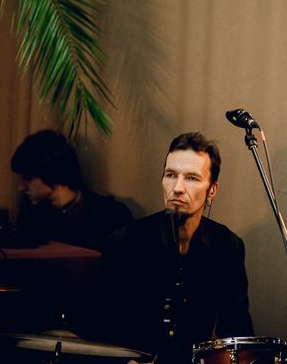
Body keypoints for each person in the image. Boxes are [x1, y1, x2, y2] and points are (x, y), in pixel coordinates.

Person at [98, 132, 253, 364]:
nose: (178, 187)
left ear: (212, 190)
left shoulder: (226, 246)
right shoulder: (125, 242)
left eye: (191, 178)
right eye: (171, 175)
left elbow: (237, 332)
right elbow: (98, 326)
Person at [11, 129, 132, 251]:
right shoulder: (31, 213)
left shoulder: (110, 215)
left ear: (51, 172)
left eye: (28, 177)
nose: (21, 187)